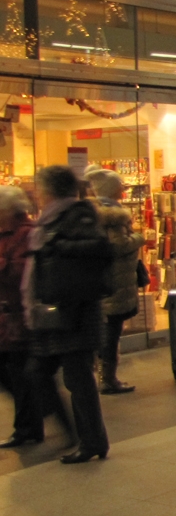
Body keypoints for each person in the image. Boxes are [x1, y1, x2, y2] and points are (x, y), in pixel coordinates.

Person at [24, 166, 113, 464]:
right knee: (39, 372)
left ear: (50, 190)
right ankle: (78, 434)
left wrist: (57, 245)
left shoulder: (76, 214)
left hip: (75, 311)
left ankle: (91, 440)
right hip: (55, 312)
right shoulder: (50, 218)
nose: (36, 193)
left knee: (77, 378)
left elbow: (100, 248)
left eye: (39, 187)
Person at [0, 188, 58, 449]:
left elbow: (23, 273)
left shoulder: (26, 233)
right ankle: (33, 419)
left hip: (20, 316)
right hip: (8, 317)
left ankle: (30, 425)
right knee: (15, 373)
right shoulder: (8, 233)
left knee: (21, 372)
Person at [87, 168, 144, 395]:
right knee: (111, 331)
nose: (123, 190)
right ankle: (108, 378)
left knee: (107, 329)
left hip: (107, 280)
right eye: (120, 186)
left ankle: (102, 375)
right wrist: (138, 238)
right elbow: (118, 246)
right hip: (115, 280)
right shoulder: (112, 215)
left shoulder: (94, 212)